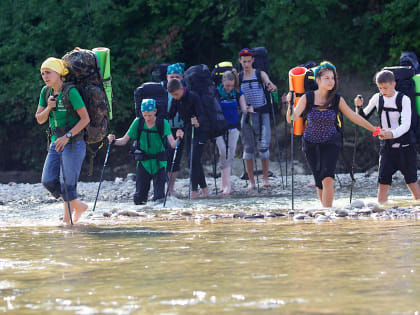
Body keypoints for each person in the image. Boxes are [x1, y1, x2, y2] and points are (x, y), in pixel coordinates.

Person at [286, 61, 376, 208]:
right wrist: (289, 105)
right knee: (318, 180)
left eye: (333, 78)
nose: (331, 81)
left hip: (331, 142)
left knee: (327, 178)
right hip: (310, 143)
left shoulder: (336, 99)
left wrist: (374, 129)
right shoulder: (307, 98)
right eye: (327, 78)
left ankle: (328, 212)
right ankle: (324, 210)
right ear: (318, 80)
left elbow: (354, 117)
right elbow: (291, 119)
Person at [35, 57, 90, 224]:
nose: (45, 76)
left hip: (73, 142)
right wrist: (49, 107)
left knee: (68, 183)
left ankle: (68, 221)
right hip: (55, 142)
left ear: (58, 73)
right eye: (43, 73)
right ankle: (77, 205)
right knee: (48, 180)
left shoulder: (70, 92)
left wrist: (67, 136)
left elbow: (85, 119)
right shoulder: (45, 92)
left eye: (48, 72)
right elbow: (39, 118)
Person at [355, 69, 420, 204]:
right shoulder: (376, 98)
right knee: (383, 181)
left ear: (394, 84)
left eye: (385, 87)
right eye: (380, 87)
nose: (382, 90)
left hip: (406, 146)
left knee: (411, 181)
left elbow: (406, 124)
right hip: (387, 147)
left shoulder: (404, 99)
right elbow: (363, 117)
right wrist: (359, 107)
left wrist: (391, 133)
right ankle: (381, 209)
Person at [108, 99, 183, 205]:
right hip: (143, 163)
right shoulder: (138, 122)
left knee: (159, 199)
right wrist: (112, 141)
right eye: (145, 115)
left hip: (159, 163)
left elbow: (172, 144)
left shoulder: (163, 123)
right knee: (139, 198)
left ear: (155, 111)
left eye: (149, 115)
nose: (147, 118)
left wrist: (179, 138)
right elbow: (124, 141)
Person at [238, 48, 277, 190]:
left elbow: (269, 83)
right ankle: (251, 182)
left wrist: (270, 86)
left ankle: (265, 178)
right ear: (240, 61)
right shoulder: (239, 76)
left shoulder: (260, 73)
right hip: (247, 114)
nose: (247, 64)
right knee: (248, 148)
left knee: (264, 146)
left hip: (262, 112)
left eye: (249, 61)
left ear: (253, 61)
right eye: (244, 62)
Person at [167, 78, 210, 199]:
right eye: (172, 95)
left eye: (176, 94)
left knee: (193, 159)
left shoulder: (193, 96)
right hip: (188, 130)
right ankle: (205, 190)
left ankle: (194, 191)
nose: (175, 97)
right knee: (193, 159)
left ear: (181, 89)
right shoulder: (176, 100)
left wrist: (197, 121)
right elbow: (170, 114)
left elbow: (202, 114)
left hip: (201, 130)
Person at [216, 70, 248, 194]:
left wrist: (247, 109)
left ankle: (226, 184)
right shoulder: (216, 92)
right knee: (223, 152)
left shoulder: (238, 92)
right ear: (223, 83)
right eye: (227, 85)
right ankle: (224, 184)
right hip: (219, 127)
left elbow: (243, 107)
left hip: (234, 127)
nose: (229, 88)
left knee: (229, 153)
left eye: (231, 85)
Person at [165, 63, 185, 197]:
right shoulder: (161, 90)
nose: (174, 79)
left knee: (176, 158)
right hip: (165, 127)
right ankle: (164, 187)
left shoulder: (184, 91)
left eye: (177, 77)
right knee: (165, 157)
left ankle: (171, 188)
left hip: (180, 128)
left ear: (182, 77)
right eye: (172, 76)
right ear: (167, 76)